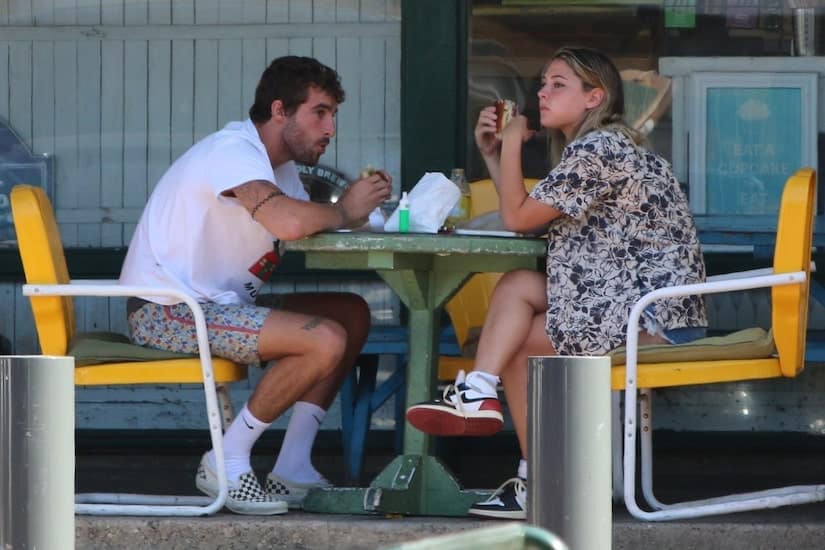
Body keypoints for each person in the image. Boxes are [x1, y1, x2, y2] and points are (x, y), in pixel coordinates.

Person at [406, 47, 707, 520]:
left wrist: (509, 144)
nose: (542, 93)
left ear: (595, 97)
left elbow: (517, 216)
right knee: (519, 284)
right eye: (543, 83)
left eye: (558, 84)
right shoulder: (602, 147)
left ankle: (530, 470)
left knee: (519, 338)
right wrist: (494, 153)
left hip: (650, 315)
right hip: (627, 299)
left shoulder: (598, 149)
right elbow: (531, 218)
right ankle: (483, 395)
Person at [119, 56, 392, 515]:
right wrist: (344, 210)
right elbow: (287, 221)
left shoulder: (278, 167)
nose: (331, 129)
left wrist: (364, 213)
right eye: (320, 113)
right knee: (325, 338)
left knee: (350, 312)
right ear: (280, 110)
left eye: (333, 116)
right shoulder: (234, 150)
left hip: (214, 305)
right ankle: (225, 459)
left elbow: (308, 224)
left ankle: (293, 466)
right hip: (167, 310)